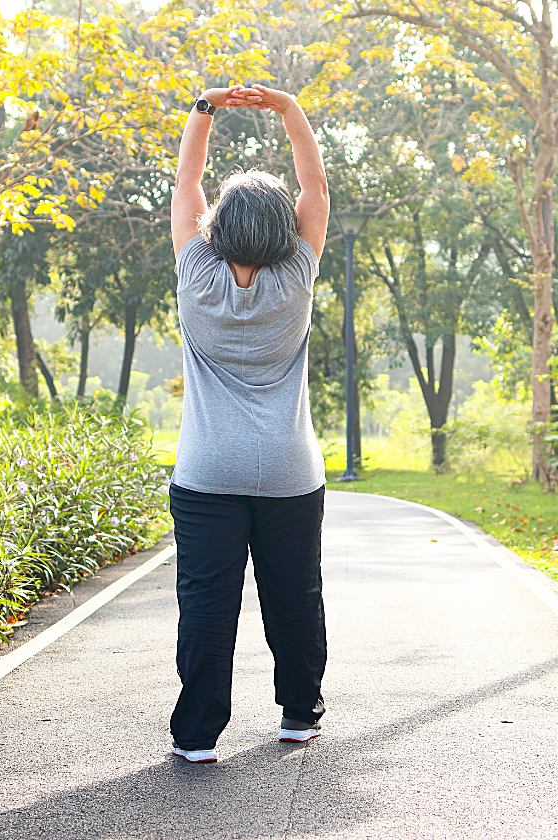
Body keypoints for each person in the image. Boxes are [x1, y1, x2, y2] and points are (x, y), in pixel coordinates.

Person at [167, 83, 330, 764]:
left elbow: (186, 184)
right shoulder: (296, 276)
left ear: (219, 226)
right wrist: (288, 108)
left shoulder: (196, 273)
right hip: (289, 471)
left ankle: (198, 735)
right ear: (283, 230)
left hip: (208, 473)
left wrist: (205, 108)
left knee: (207, 603)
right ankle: (298, 715)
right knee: (294, 595)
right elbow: (315, 186)